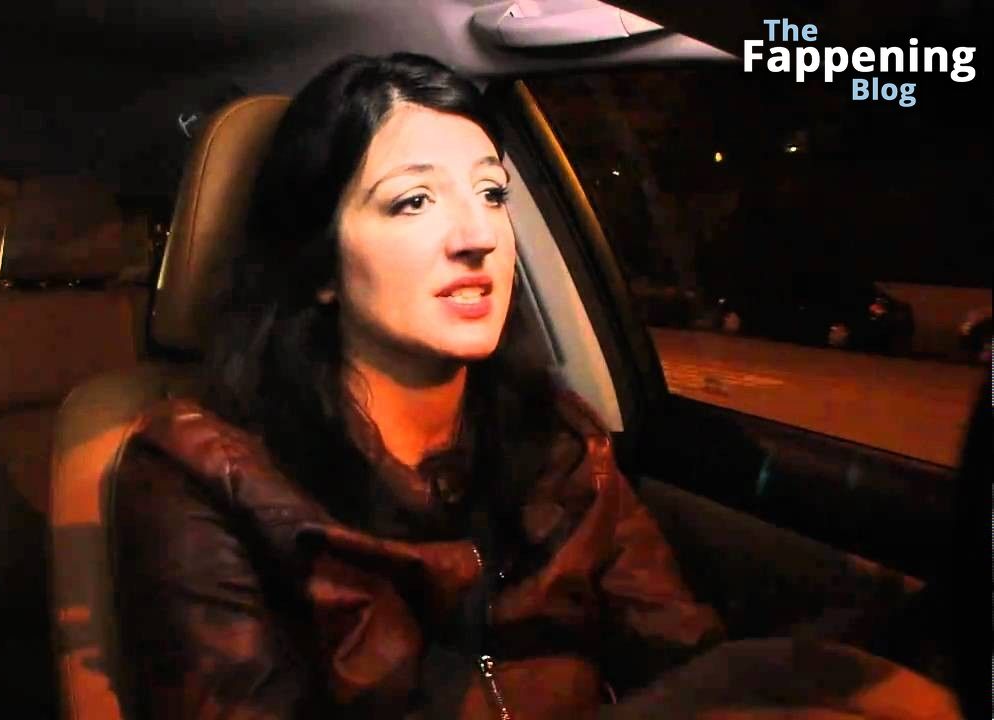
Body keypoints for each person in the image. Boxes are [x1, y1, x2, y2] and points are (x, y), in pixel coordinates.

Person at [112, 53, 959, 718]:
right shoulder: (201, 473)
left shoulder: (560, 440)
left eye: (491, 193)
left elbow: (685, 658)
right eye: (413, 202)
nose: (476, 234)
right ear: (321, 267)